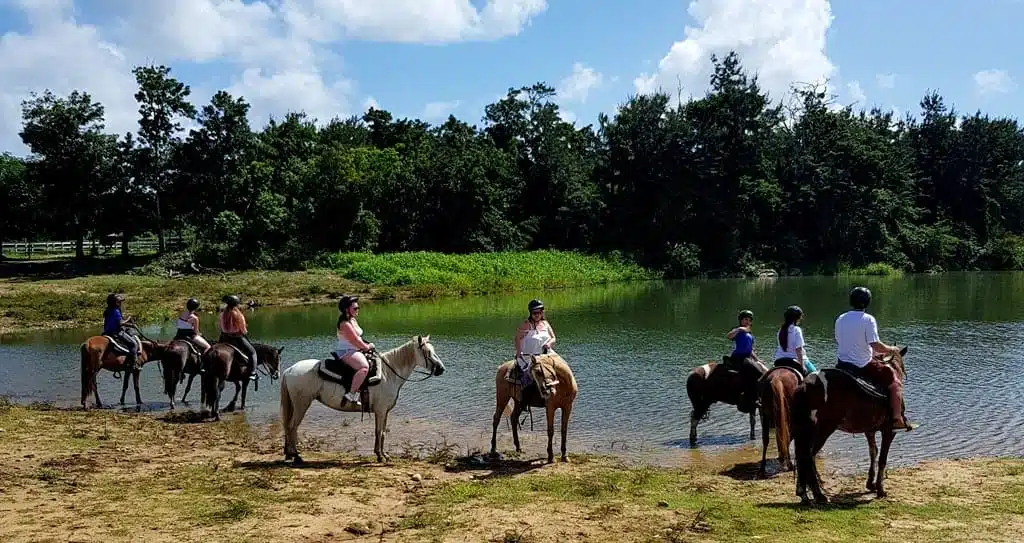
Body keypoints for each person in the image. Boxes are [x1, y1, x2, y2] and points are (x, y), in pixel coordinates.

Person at [834, 286, 914, 431]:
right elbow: (876, 345)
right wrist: (892, 349)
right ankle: (897, 418)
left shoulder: (840, 318)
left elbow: (842, 341)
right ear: (867, 302)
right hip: (862, 364)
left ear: (851, 301)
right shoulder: (868, 319)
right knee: (894, 382)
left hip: (841, 364)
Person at [334, 295, 375, 406]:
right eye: (355, 308)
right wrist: (367, 347)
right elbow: (354, 340)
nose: (358, 310)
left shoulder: (352, 320)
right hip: (347, 351)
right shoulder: (345, 324)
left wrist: (366, 344)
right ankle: (351, 394)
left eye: (358, 308)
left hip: (355, 349)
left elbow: (359, 338)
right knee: (364, 367)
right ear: (347, 309)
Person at [726, 309, 764, 412]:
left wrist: (758, 360)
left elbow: (750, 350)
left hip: (747, 357)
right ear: (741, 320)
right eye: (745, 319)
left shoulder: (750, 335)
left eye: (749, 320)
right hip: (739, 358)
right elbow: (729, 336)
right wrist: (739, 329)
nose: (747, 322)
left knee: (762, 369)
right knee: (757, 371)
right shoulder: (738, 332)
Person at [510, 299, 556, 383]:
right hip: (529, 358)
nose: (537, 315)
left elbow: (553, 338)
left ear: (542, 313)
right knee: (527, 379)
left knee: (562, 369)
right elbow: (517, 338)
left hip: (546, 356)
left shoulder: (545, 323)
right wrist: (519, 352)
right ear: (531, 313)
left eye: (539, 312)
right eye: (534, 313)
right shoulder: (526, 324)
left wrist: (549, 344)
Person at [103, 293, 141, 370]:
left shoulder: (108, 310)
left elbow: (115, 322)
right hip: (116, 332)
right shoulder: (116, 311)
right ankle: (135, 364)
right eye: (119, 302)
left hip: (106, 332)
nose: (121, 304)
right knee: (133, 344)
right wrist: (129, 319)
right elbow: (120, 323)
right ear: (115, 303)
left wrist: (129, 324)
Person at [218, 294, 257, 369]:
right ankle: (253, 372)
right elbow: (243, 330)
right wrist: (244, 332)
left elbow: (221, 327)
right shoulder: (239, 315)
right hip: (237, 337)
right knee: (253, 352)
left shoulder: (223, 314)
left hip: (224, 337)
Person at [774, 305, 812, 376]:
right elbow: (799, 350)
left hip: (779, 361)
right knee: (815, 376)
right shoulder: (796, 330)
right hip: (794, 361)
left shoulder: (781, 330)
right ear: (797, 318)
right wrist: (802, 366)